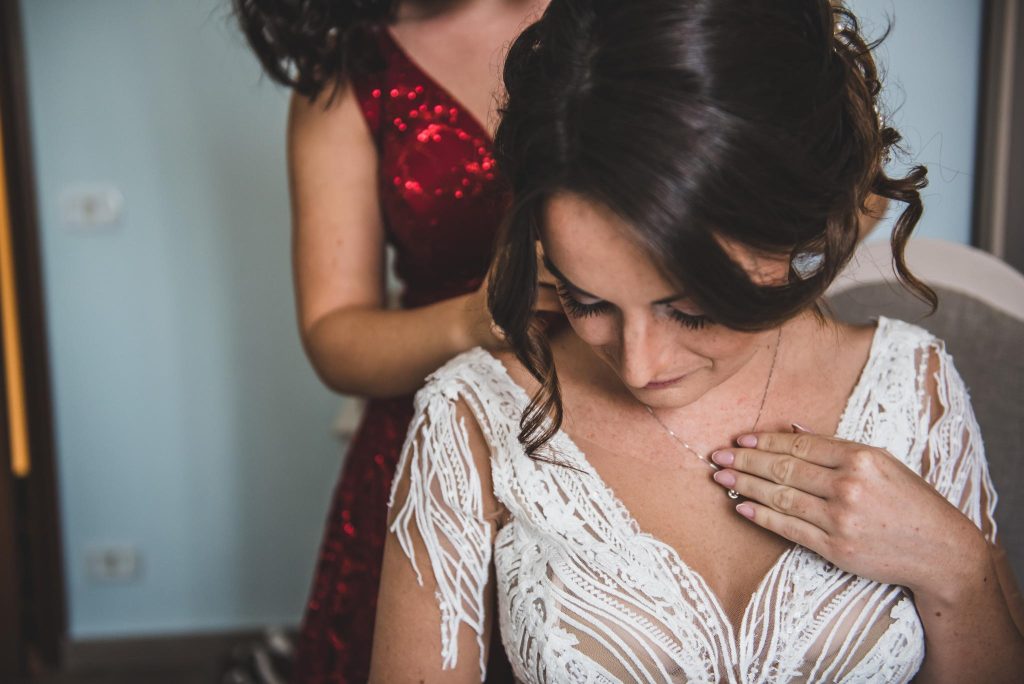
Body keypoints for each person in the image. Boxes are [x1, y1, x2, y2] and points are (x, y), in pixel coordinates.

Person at [368, 0, 1024, 681]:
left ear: (789, 233)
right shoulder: (471, 418)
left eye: (691, 311)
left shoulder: (914, 386)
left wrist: (958, 571)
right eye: (586, 299)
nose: (639, 364)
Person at [233, 0, 554, 681]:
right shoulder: (351, 72)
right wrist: (473, 321)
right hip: (429, 433)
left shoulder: (632, 20)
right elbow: (333, 335)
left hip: (613, 410)